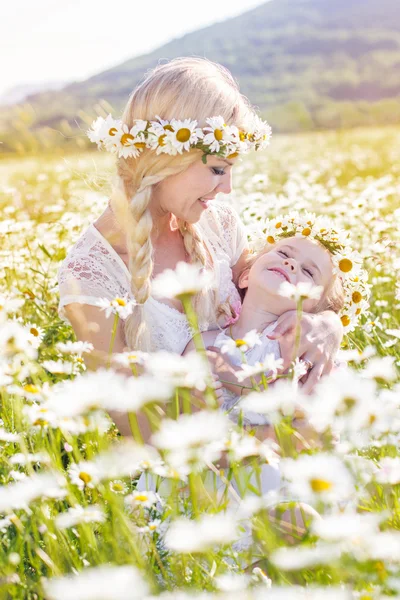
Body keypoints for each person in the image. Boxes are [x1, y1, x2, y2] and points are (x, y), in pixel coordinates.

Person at [57, 57, 343, 440]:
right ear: (168, 155)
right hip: (194, 474)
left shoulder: (219, 224)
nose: (227, 189)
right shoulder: (89, 275)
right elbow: (137, 423)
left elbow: (269, 304)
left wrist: (327, 324)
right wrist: (264, 448)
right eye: (218, 169)